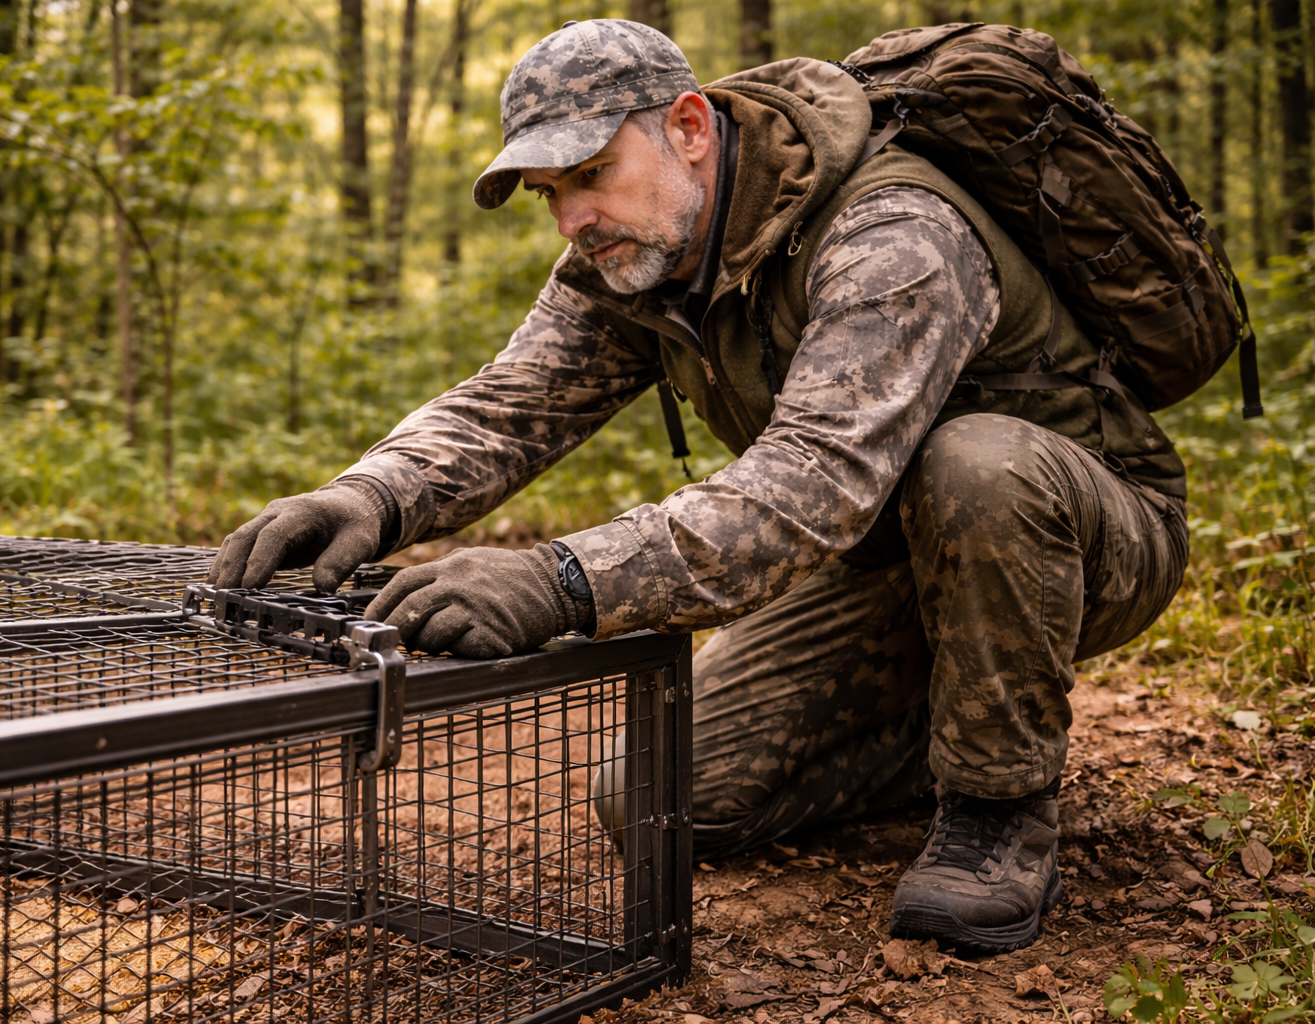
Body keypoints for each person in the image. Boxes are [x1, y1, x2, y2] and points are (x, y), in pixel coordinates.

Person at [208, 19, 1188, 953]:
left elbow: (810, 482)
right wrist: (367, 497)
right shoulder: (630, 249)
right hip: (882, 556)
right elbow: (508, 407)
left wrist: (562, 580)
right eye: (550, 190)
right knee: (656, 797)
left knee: (974, 463)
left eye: (591, 174)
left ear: (687, 128)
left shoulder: (894, 230)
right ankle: (943, 725)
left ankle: (999, 808)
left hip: (1081, 528)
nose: (572, 216)